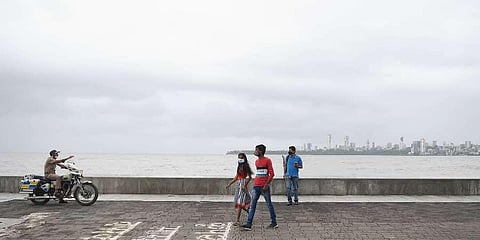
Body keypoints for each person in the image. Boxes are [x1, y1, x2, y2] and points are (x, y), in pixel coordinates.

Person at [242, 144, 278, 231]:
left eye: (256, 150)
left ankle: (274, 222)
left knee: (269, 204)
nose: (254, 151)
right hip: (256, 186)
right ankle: (249, 224)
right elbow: (259, 173)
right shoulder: (256, 162)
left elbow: (272, 174)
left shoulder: (267, 160)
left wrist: (266, 184)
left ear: (260, 151)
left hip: (264, 187)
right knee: (252, 205)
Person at [225, 153, 253, 226]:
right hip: (238, 184)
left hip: (242, 184)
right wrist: (230, 183)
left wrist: (245, 185)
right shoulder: (239, 166)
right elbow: (236, 177)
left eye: (241, 157)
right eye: (239, 157)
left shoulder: (246, 166)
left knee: (240, 202)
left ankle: (238, 220)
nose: (240, 159)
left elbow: (250, 177)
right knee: (239, 202)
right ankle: (249, 212)